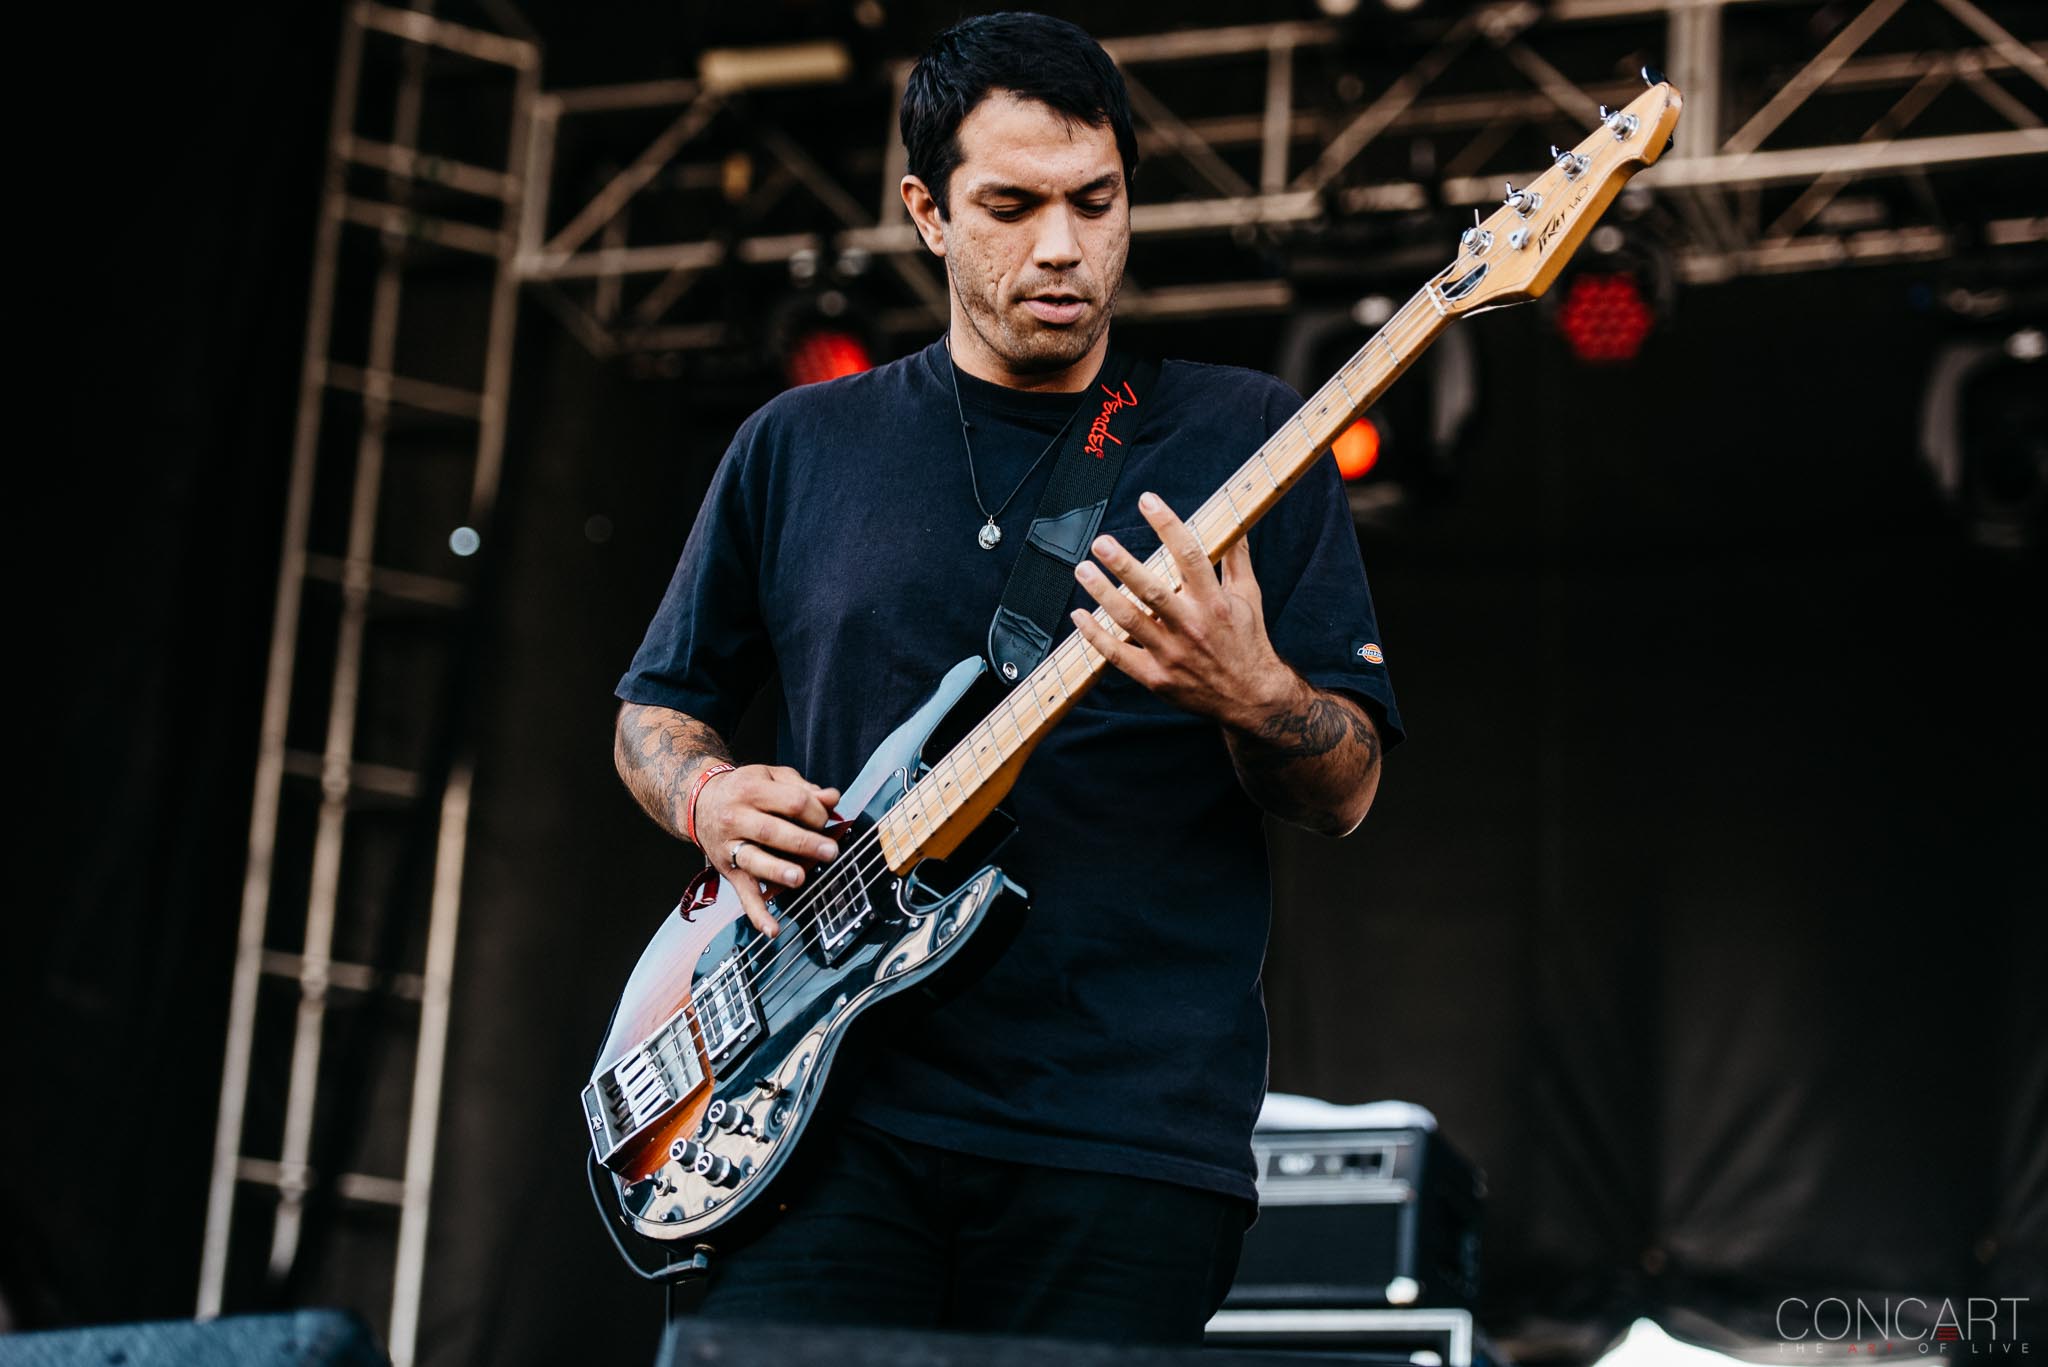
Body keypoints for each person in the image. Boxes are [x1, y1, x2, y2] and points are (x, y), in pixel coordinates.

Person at [611, 12, 1404, 1346]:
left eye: (1096, 203)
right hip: (813, 1113)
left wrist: (1249, 689)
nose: (1061, 247)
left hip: (1121, 1136)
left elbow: (1345, 786)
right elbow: (655, 711)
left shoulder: (1249, 437)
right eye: (1012, 205)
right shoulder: (798, 445)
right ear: (926, 210)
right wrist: (705, 798)